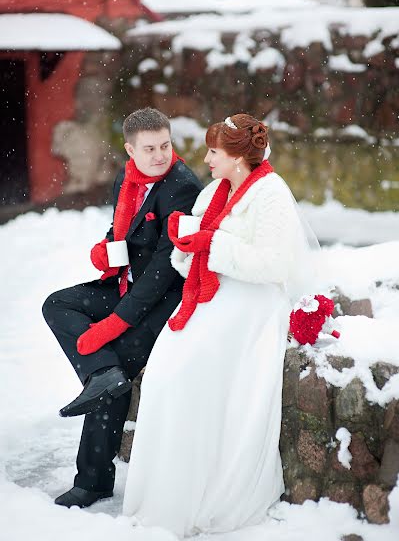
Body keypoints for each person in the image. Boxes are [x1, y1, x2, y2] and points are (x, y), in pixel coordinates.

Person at [122, 113, 318, 538]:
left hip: (253, 300)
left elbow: (275, 264)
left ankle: (207, 488)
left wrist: (213, 244)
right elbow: (192, 257)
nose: (205, 158)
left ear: (236, 157)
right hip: (210, 295)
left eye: (214, 152)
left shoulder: (271, 194)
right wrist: (185, 244)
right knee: (164, 374)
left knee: (195, 372)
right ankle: (166, 490)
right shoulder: (213, 190)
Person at [42, 107, 203, 509]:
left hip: (164, 302)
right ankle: (102, 371)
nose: (160, 155)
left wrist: (115, 323)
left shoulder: (182, 188)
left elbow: (165, 272)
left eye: (165, 145)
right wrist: (106, 249)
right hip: (124, 284)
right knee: (57, 305)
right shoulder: (126, 178)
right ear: (130, 150)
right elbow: (122, 229)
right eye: (149, 149)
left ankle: (92, 482)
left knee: (119, 365)